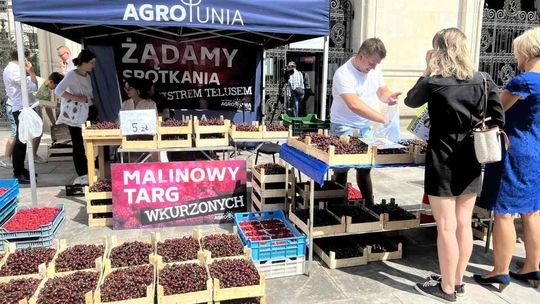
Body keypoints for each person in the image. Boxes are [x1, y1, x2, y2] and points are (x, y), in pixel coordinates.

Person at [404, 28, 504, 303]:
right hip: (472, 157)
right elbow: (498, 118)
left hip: (443, 158)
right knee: (463, 224)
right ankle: (457, 281)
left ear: (438, 50)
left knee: (446, 226)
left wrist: (426, 68)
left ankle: (446, 288)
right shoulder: (483, 79)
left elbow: (410, 100)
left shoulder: (435, 81)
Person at [474, 27, 540, 291]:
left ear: (525, 51)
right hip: (537, 152)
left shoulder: (523, 82)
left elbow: (495, 111)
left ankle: (500, 271)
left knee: (503, 213)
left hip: (515, 152)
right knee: (533, 211)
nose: (516, 58)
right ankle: (532, 266)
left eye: (517, 53)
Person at [330, 37, 401, 204]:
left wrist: (388, 97)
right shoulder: (343, 73)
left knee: (365, 168)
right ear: (361, 56)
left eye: (376, 64)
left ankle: (369, 204)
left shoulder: (374, 70)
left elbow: (381, 90)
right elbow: (354, 104)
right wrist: (382, 118)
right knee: (341, 168)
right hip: (343, 126)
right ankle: (338, 206)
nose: (374, 67)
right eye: (371, 63)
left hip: (365, 127)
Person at [54, 49, 97, 181]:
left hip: (89, 110)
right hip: (76, 113)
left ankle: (91, 168)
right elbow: (58, 90)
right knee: (78, 142)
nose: (93, 65)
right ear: (83, 62)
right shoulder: (71, 75)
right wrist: (77, 98)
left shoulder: (88, 75)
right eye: (91, 63)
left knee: (90, 142)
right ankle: (82, 172)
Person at [2, 49, 38, 183]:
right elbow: (32, 87)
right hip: (21, 107)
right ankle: (18, 171)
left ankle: (21, 169)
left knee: (23, 139)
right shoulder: (14, 70)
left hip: (23, 106)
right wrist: (31, 72)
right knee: (21, 140)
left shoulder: (12, 69)